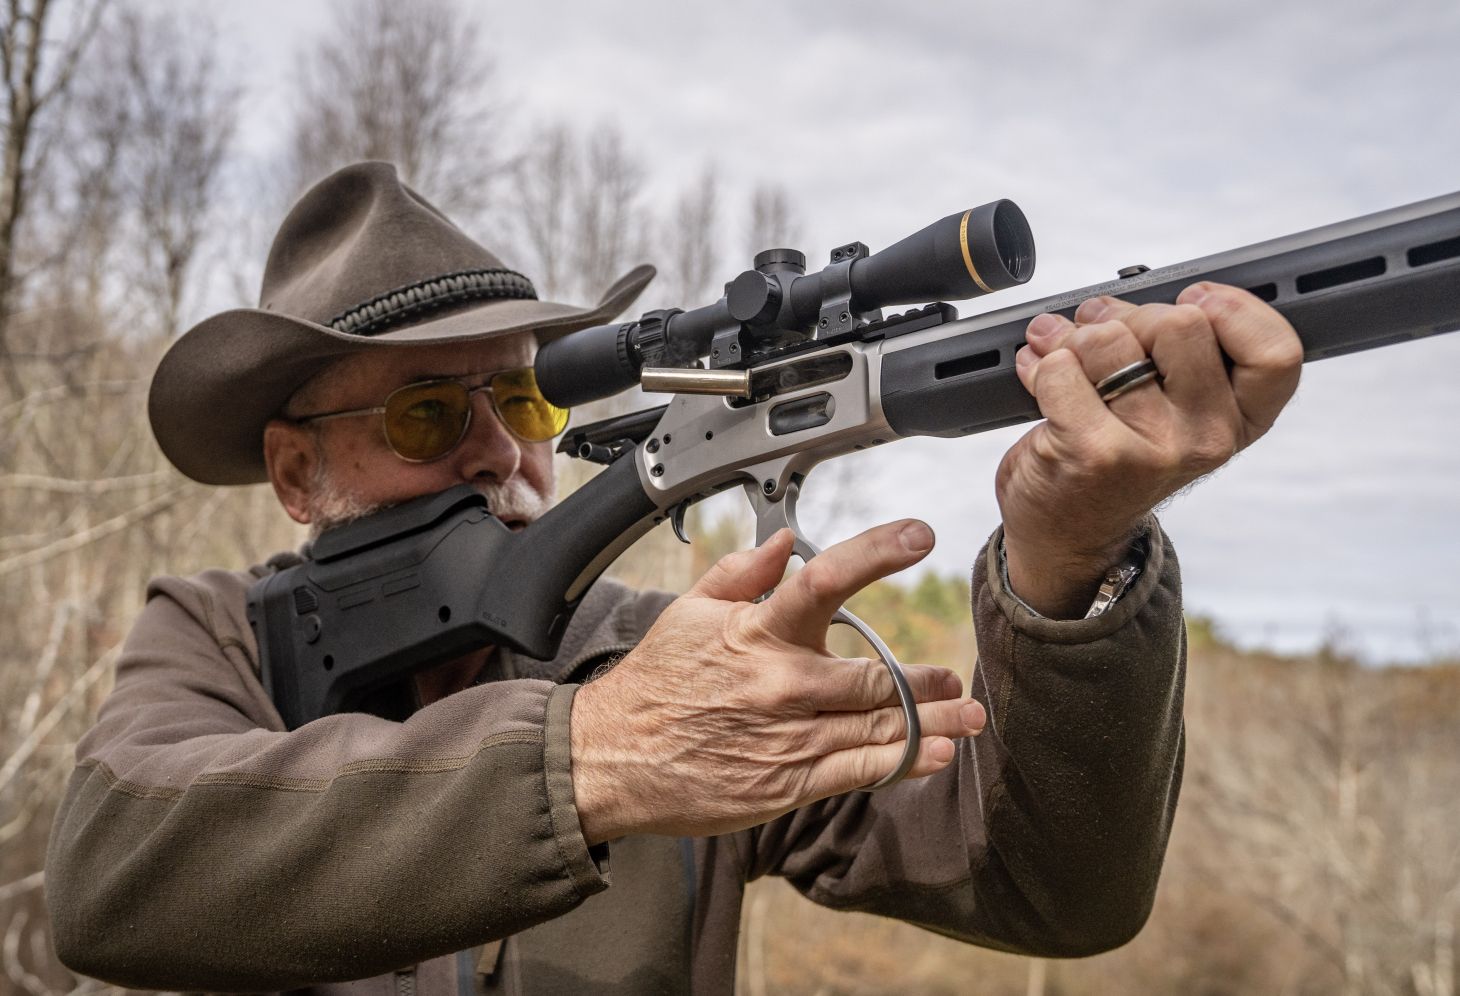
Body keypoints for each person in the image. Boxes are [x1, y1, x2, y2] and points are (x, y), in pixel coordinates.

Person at [45, 162, 1302, 995]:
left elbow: (1048, 888)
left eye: (527, 398)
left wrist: (1069, 558)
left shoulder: (684, 656)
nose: (499, 452)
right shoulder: (215, 638)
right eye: (430, 418)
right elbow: (111, 872)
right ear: (292, 471)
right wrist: (600, 756)